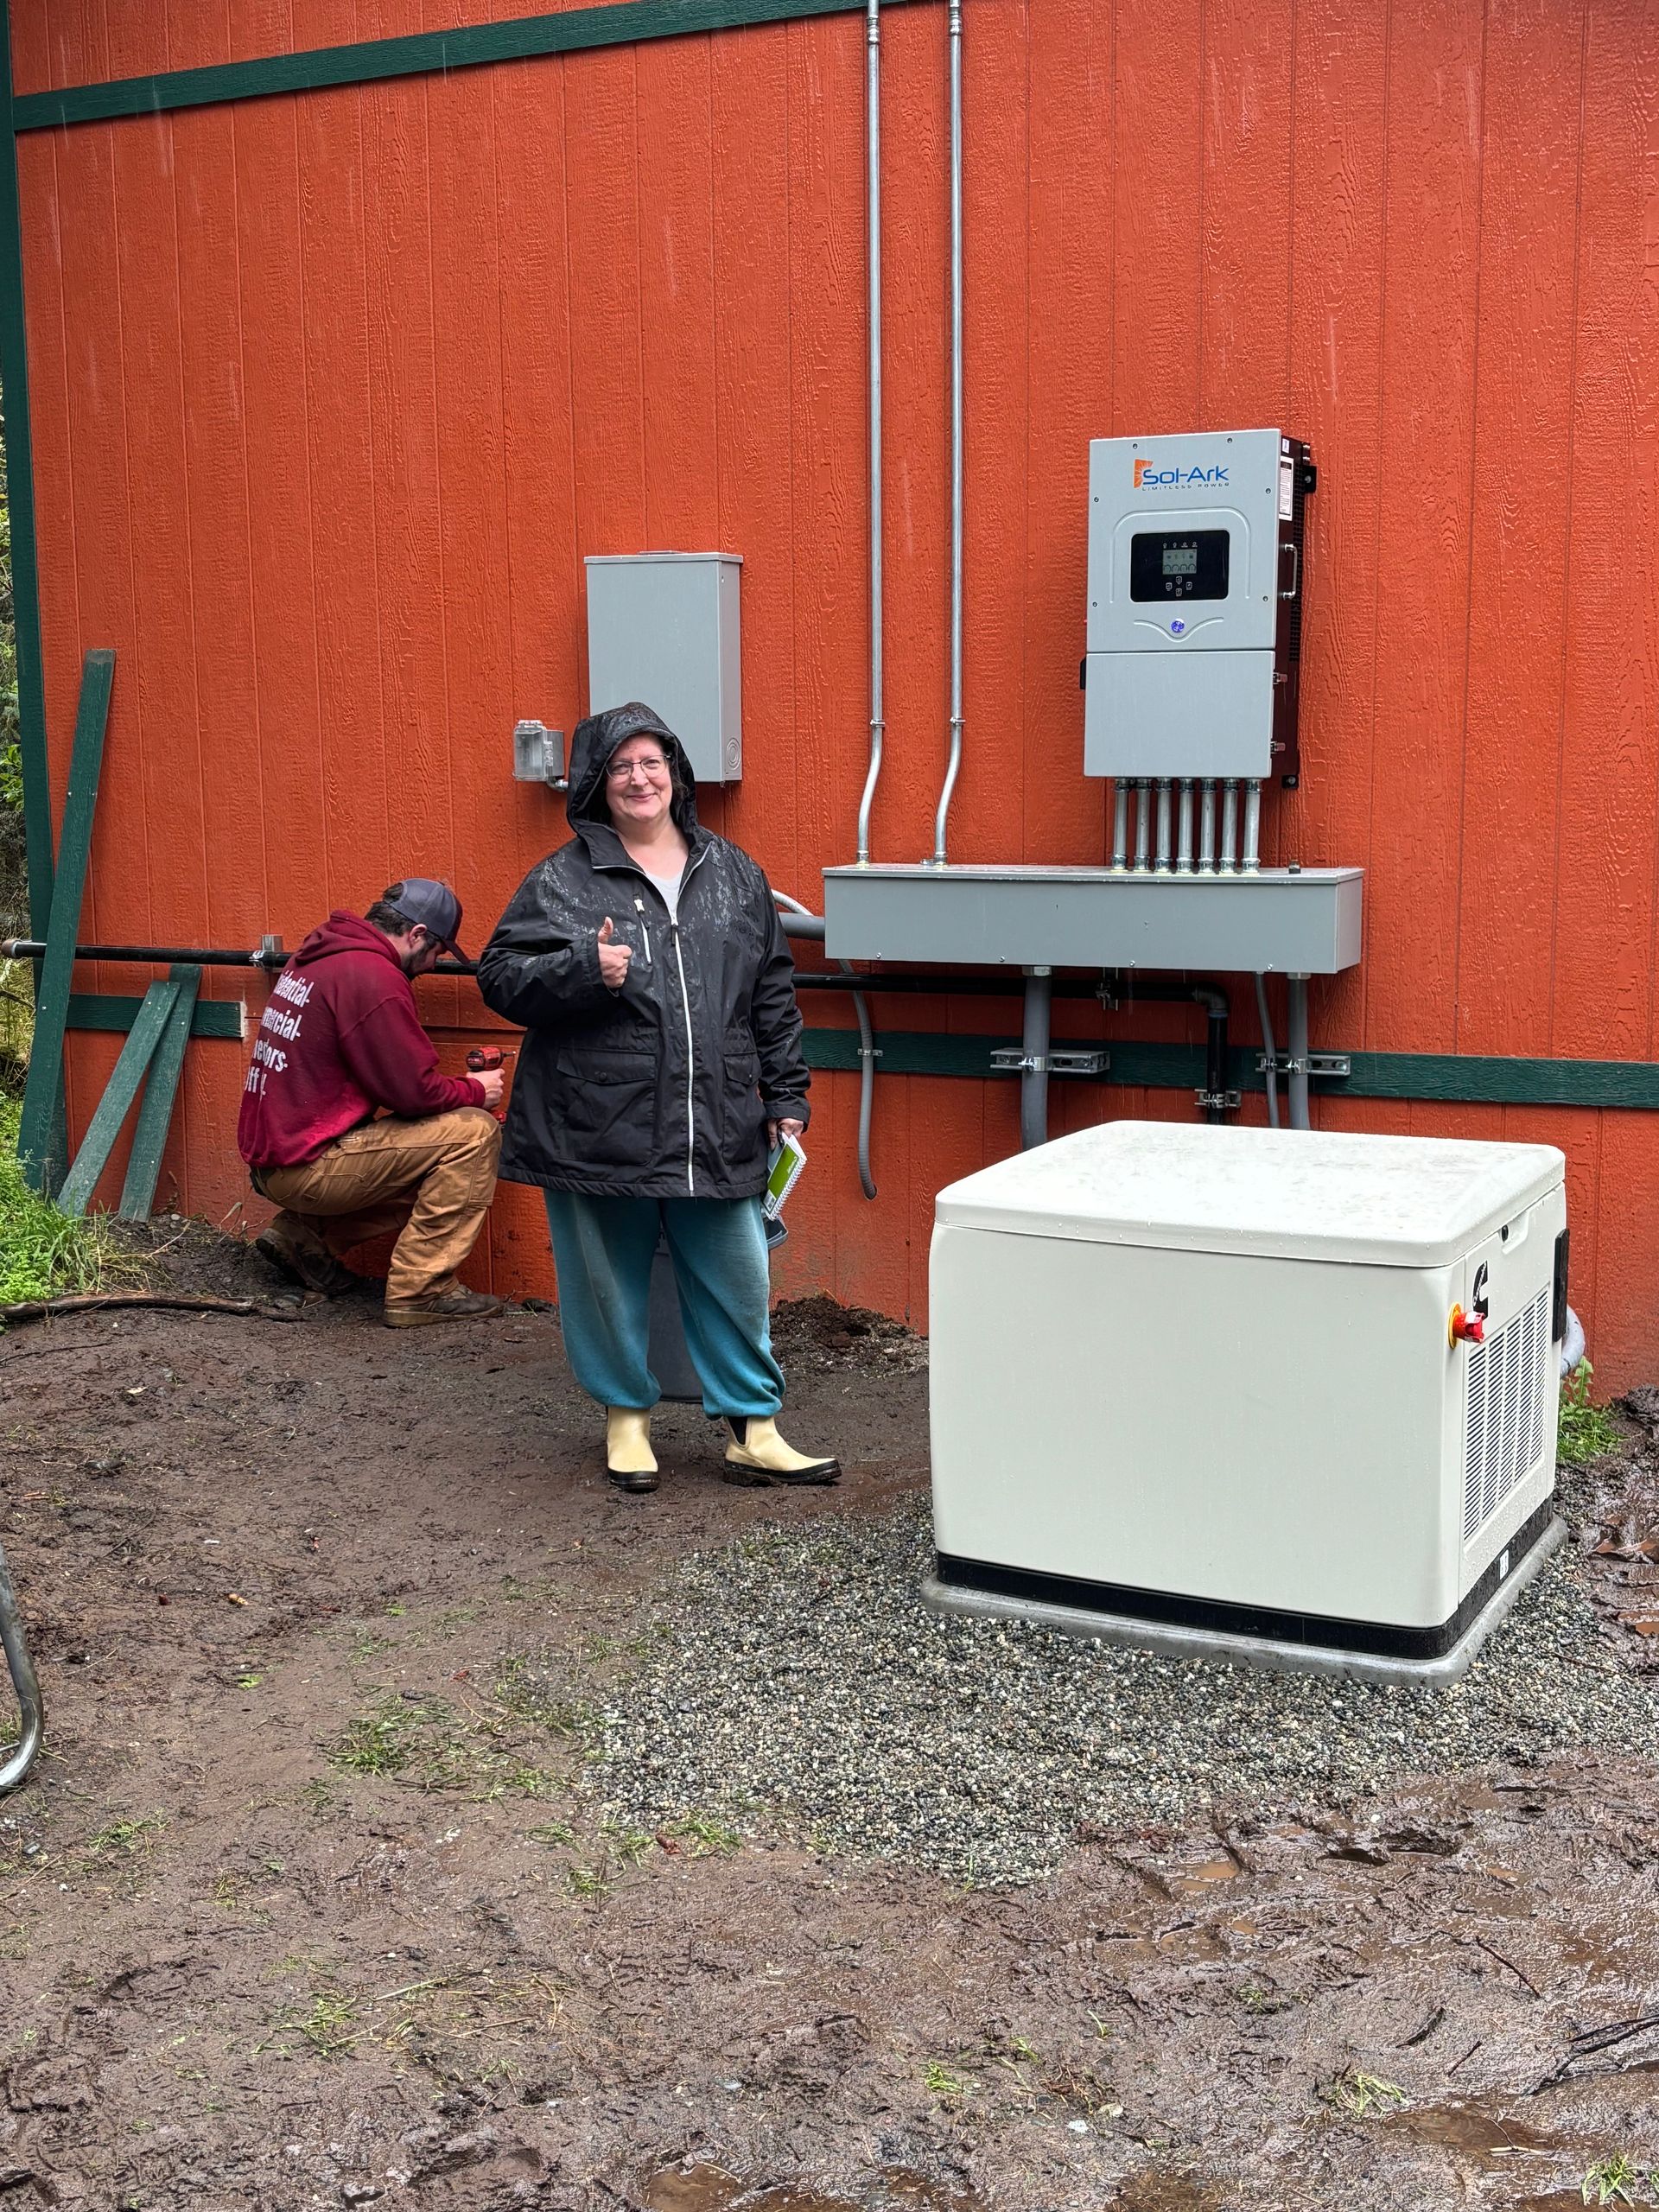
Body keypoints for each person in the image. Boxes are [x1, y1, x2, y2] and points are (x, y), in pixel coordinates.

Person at [477, 702, 838, 1495]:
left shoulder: (736, 874)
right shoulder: (562, 879)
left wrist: (787, 1094)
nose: (639, 779)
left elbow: (772, 992)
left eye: (651, 762)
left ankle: (755, 1428)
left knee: (738, 1270)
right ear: (595, 786)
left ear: (675, 772)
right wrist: (580, 968)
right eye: (620, 767)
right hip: (597, 1121)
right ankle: (627, 1422)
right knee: (605, 1275)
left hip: (717, 1118)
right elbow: (498, 975)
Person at [238, 878, 507, 1329]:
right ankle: (423, 1291)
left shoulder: (323, 957)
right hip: (307, 1167)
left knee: (430, 1160)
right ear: (417, 934)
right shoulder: (373, 977)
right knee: (473, 1135)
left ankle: (302, 1239)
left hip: (280, 1162)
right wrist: (478, 1090)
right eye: (438, 952)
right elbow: (413, 1093)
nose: (436, 965)